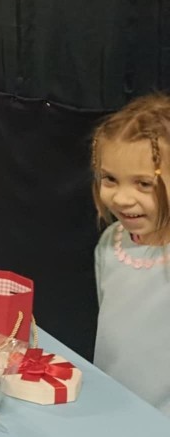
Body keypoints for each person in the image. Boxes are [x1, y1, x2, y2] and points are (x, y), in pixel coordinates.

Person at [92, 93, 170, 417]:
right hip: (112, 411)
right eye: (110, 179)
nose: (122, 198)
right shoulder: (112, 243)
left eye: (143, 184)